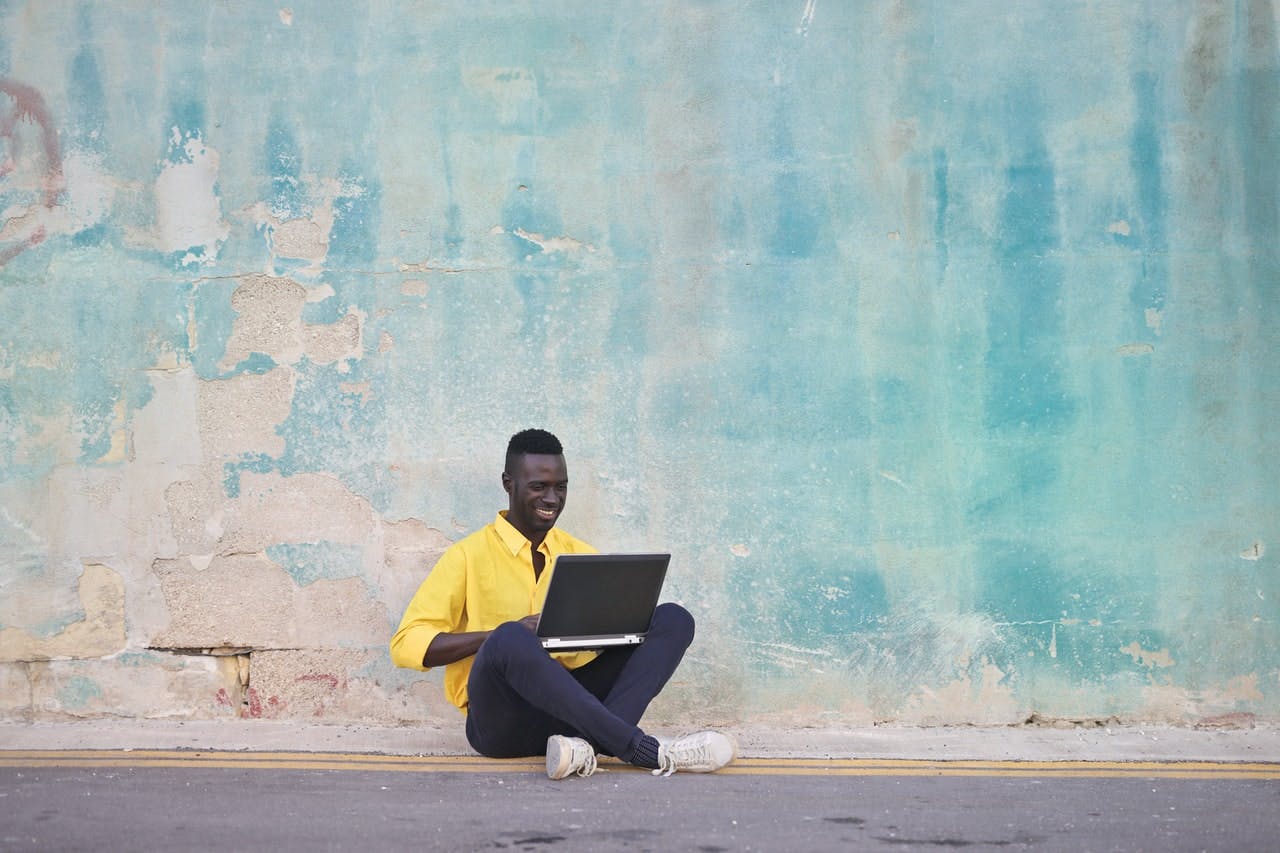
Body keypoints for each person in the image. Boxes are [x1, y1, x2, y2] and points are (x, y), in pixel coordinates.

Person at [390, 428, 737, 779]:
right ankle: (642, 749)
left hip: (571, 714)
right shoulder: (467, 556)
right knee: (510, 637)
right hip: (500, 723)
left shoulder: (580, 556)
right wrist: (497, 636)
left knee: (674, 620)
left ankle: (583, 750)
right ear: (508, 484)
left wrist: (612, 631)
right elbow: (405, 645)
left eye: (561, 487)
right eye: (539, 487)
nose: (552, 498)